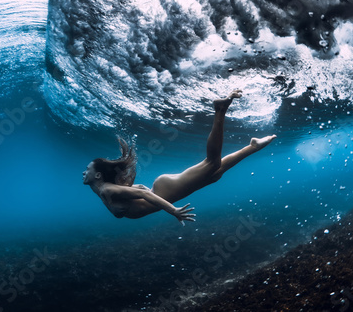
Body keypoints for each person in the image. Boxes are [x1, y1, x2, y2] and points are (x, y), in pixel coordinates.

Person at [83, 90, 277, 225]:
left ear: (98, 176)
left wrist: (173, 211)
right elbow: (139, 191)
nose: (84, 172)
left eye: (88, 170)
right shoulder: (103, 189)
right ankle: (253, 147)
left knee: (211, 163)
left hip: (166, 190)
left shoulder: (107, 190)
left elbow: (144, 194)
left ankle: (220, 110)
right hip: (165, 189)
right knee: (215, 173)